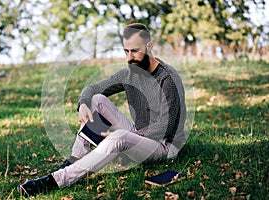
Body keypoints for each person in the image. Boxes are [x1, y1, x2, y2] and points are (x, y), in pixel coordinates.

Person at [17, 23, 187, 197]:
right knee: (96, 99)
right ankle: (75, 160)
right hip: (139, 135)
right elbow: (93, 88)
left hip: (164, 145)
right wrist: (83, 104)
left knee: (119, 137)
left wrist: (128, 136)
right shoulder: (129, 73)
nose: (130, 57)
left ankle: (56, 180)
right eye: (126, 51)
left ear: (149, 46)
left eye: (135, 51)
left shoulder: (168, 78)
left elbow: (166, 127)